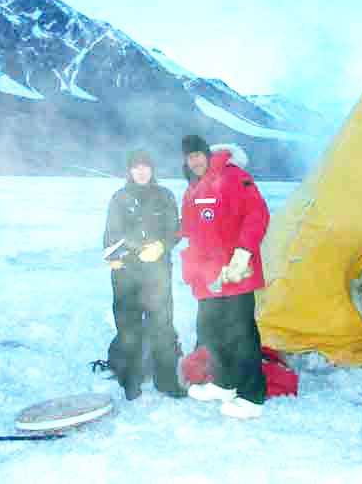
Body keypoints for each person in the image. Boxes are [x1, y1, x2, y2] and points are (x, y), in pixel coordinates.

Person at [179, 135, 270, 419]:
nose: (195, 161)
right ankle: (224, 383)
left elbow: (257, 214)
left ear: (207, 154)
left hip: (235, 273)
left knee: (242, 334)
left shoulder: (233, 177)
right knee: (213, 332)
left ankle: (252, 396)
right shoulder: (193, 188)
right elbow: (192, 230)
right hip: (207, 278)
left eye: (198, 155)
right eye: (189, 157)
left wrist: (243, 252)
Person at [103, 150, 185, 400]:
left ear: (152, 170)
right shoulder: (119, 198)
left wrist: (162, 245)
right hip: (126, 273)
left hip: (157, 273)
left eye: (146, 167)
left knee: (162, 325)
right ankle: (130, 378)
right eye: (137, 167)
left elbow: (175, 229)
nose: (141, 171)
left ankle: (166, 380)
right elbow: (110, 234)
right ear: (130, 170)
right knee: (128, 326)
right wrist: (114, 259)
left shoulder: (164, 196)